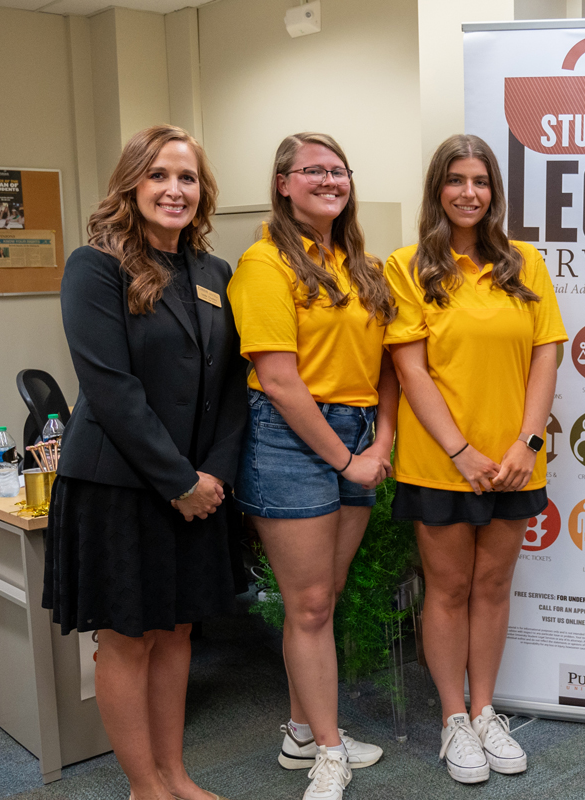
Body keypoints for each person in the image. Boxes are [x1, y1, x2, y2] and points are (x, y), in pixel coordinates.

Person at [43, 125, 246, 800]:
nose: (174, 189)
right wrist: (180, 480)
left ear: (202, 191)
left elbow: (229, 387)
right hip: (121, 487)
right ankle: (145, 787)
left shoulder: (214, 272)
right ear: (132, 183)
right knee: (129, 637)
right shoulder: (94, 267)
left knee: (178, 630)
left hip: (198, 487)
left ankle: (175, 775)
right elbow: (112, 391)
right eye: (159, 174)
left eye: (187, 177)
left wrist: (211, 476)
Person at [385, 134, 566, 785]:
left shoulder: (525, 265)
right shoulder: (407, 268)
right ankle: (453, 720)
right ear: (438, 189)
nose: (469, 192)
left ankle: (486, 710)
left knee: (492, 587)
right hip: (440, 464)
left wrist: (528, 442)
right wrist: (461, 452)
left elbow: (547, 353)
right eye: (456, 179)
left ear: (495, 192)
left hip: (516, 463)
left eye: (481, 181)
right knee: (449, 588)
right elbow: (410, 369)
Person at [227, 132, 397, 800]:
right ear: (282, 184)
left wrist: (379, 445)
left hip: (357, 433)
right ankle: (328, 749)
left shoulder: (363, 265)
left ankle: (303, 730)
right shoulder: (264, 263)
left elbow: (388, 367)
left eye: (338, 170)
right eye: (313, 170)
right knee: (308, 603)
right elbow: (279, 379)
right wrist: (348, 460)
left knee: (322, 597)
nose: (329, 179)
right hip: (291, 438)